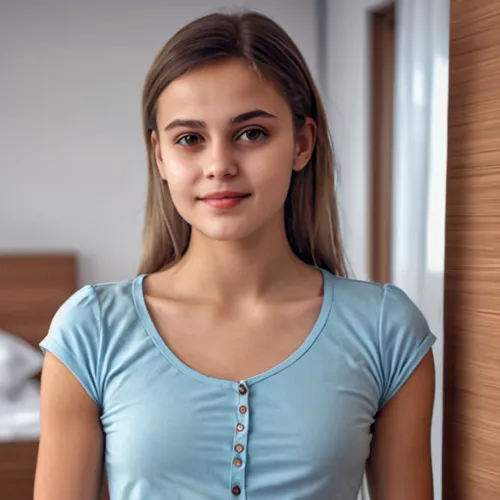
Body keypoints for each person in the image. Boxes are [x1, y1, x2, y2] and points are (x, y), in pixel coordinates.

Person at [34, 10, 436, 500]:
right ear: (160, 155)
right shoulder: (90, 331)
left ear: (302, 143)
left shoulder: (386, 330)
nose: (220, 165)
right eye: (190, 140)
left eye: (252, 133)